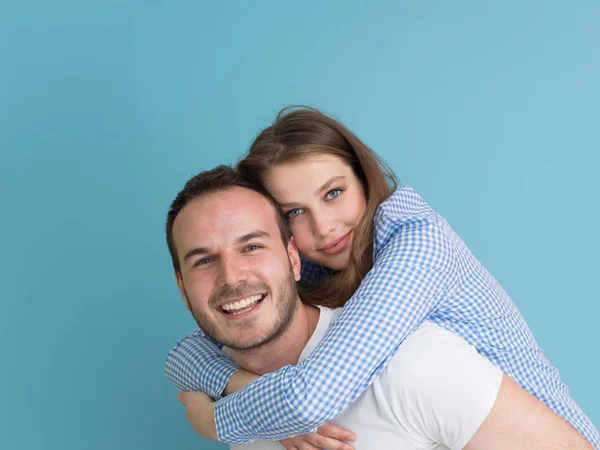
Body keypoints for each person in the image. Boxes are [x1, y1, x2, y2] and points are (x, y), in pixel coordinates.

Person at [165, 107, 599, 448]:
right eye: (294, 213)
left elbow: (309, 400)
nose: (324, 227)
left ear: (364, 177)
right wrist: (243, 385)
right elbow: (189, 352)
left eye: (334, 193)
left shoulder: (418, 245)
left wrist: (215, 420)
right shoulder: (319, 265)